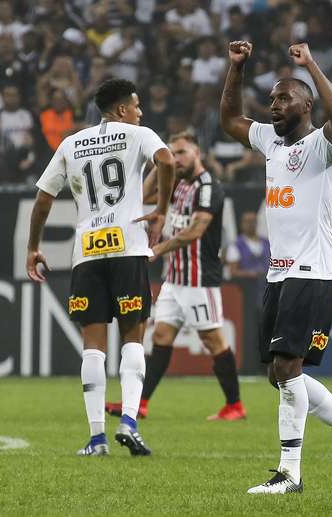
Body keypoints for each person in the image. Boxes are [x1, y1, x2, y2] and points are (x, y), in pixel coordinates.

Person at [220, 41, 332, 494]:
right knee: (280, 375)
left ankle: (289, 473)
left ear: (306, 104)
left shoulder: (322, 147)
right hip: (279, 273)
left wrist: (312, 63)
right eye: (272, 99)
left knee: (287, 364)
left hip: (312, 271)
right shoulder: (271, 142)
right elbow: (230, 121)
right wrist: (236, 69)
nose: (274, 106)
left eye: (283, 98)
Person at [26, 78, 175, 456]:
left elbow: (44, 198)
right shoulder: (138, 134)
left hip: (87, 253)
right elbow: (168, 160)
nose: (141, 112)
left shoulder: (71, 143)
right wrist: (161, 210)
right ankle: (128, 421)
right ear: (123, 109)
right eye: (137, 106)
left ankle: (96, 438)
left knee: (93, 347)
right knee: (132, 338)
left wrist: (33, 248)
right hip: (128, 249)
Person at [105, 132, 245, 421]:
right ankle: (140, 403)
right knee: (161, 337)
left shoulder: (208, 188)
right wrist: (161, 162)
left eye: (182, 152)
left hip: (199, 279)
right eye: (173, 153)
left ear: (198, 152)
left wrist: (157, 250)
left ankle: (235, 406)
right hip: (175, 278)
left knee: (213, 341)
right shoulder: (179, 184)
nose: (177, 158)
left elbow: (195, 231)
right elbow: (143, 196)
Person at [226, 211, 270, 280]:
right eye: (247, 222)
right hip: (246, 286)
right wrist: (248, 274)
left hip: (267, 284)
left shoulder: (267, 243)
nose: (250, 224)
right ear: (242, 224)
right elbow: (233, 272)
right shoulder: (235, 245)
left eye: (253, 221)